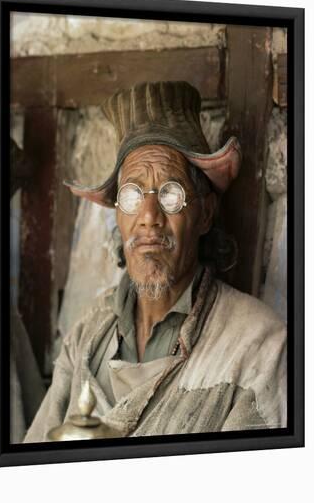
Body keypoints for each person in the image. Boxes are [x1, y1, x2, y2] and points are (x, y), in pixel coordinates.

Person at [23, 81, 286, 442]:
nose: (149, 216)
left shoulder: (258, 345)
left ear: (206, 214)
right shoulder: (87, 335)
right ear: (117, 214)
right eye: (131, 195)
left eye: (171, 193)